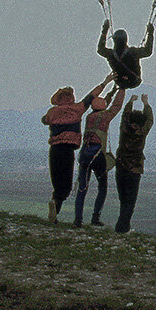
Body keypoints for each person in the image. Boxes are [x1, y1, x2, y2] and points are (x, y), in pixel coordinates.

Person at [41, 72, 114, 223]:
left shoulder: (52, 112)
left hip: (54, 150)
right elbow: (91, 96)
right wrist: (106, 82)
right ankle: (56, 206)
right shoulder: (78, 109)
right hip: (68, 150)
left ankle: (54, 207)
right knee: (66, 185)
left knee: (57, 182)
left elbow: (45, 120)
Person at [72, 85, 126, 227]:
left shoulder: (89, 117)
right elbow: (115, 106)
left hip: (84, 155)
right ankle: (95, 217)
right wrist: (122, 90)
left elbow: (105, 103)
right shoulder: (105, 116)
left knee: (82, 189)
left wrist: (112, 91)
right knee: (102, 187)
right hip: (98, 156)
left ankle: (78, 220)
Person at [114, 93, 153, 233]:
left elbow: (125, 116)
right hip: (134, 169)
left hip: (121, 165)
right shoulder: (142, 131)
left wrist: (130, 102)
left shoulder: (124, 129)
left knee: (123, 198)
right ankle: (122, 228)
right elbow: (150, 120)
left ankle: (122, 226)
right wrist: (146, 104)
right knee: (130, 201)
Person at [97, 18, 154, 89]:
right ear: (126, 40)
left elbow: (100, 49)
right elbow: (148, 51)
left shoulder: (111, 54)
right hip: (134, 81)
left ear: (114, 40)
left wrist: (104, 31)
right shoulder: (132, 52)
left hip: (119, 82)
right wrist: (150, 33)